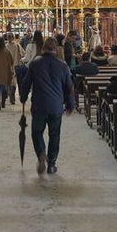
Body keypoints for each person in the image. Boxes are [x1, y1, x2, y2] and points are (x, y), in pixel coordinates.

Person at [19, 37, 76, 175]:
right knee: (54, 134)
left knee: (37, 132)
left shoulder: (35, 64)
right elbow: (68, 87)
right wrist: (70, 105)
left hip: (39, 105)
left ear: (43, 49)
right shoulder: (62, 65)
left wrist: (23, 97)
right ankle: (51, 164)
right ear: (55, 49)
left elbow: (26, 84)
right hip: (56, 106)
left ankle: (40, 153)